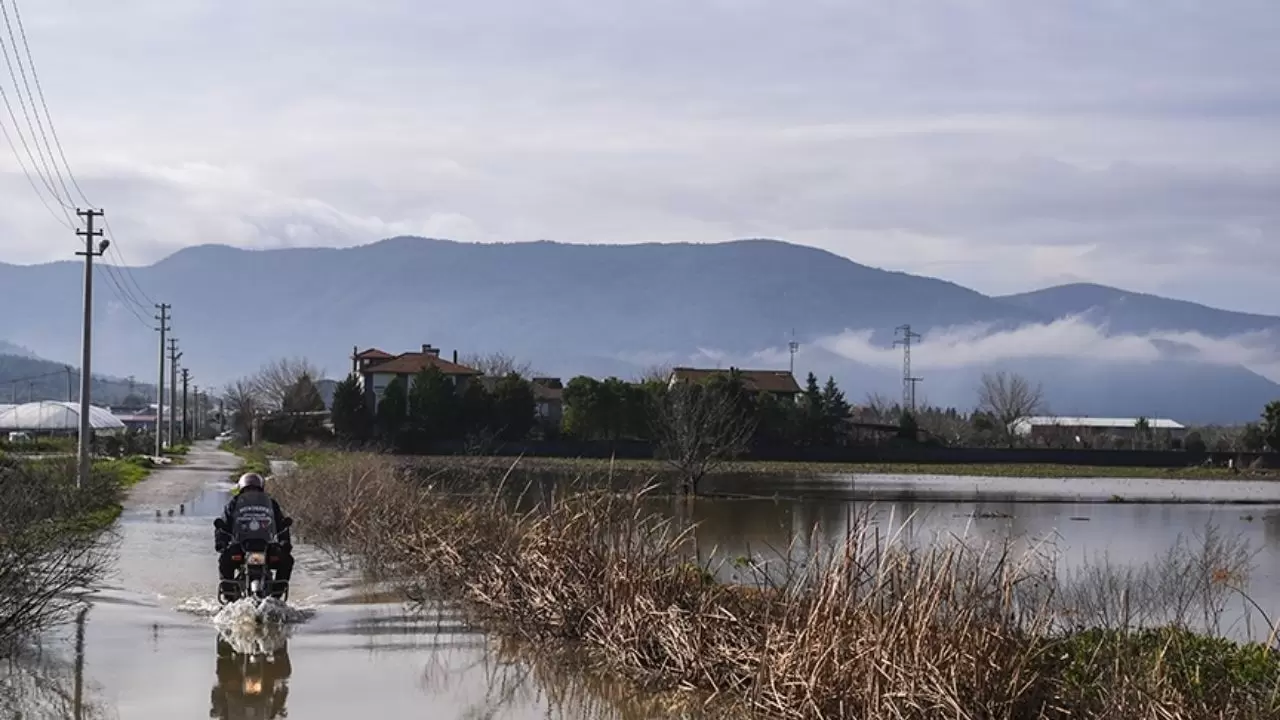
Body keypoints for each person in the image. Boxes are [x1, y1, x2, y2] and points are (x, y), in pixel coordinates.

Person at [215, 472, 294, 600]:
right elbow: (223, 524)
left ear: (260, 489)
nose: (251, 491)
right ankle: (229, 597)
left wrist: (285, 542)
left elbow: (281, 524)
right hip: (241, 546)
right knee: (225, 560)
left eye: (254, 489)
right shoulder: (233, 504)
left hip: (266, 546)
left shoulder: (271, 503)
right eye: (248, 489)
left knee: (286, 560)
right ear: (242, 489)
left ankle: (276, 596)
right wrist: (221, 542)